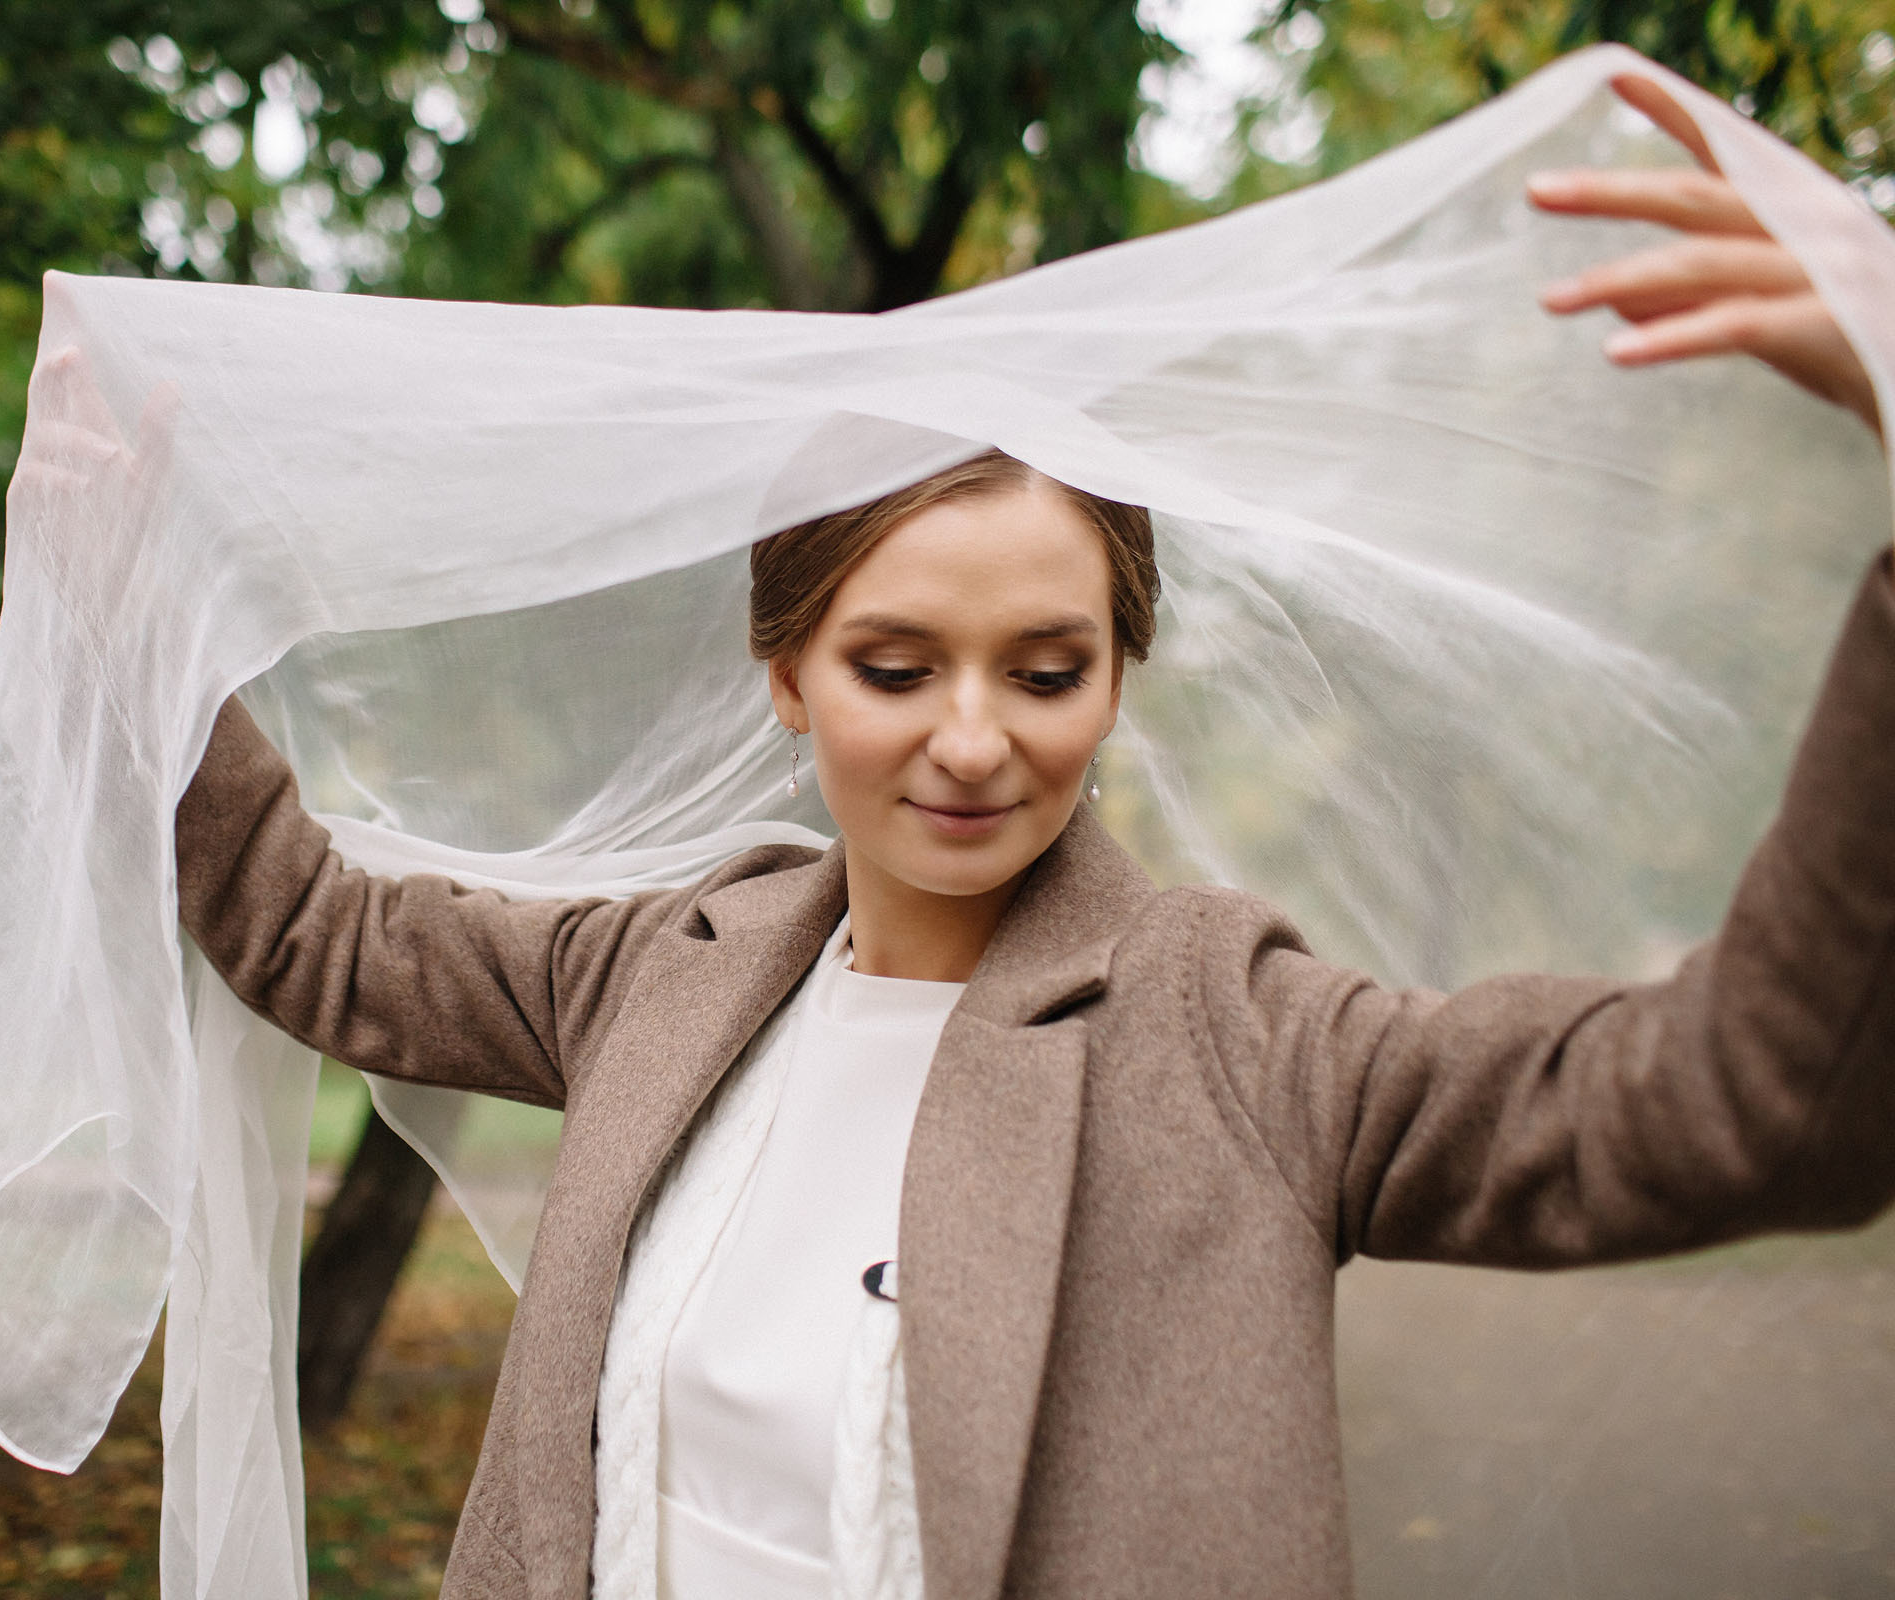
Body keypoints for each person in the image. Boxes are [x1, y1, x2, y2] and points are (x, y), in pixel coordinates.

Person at [169, 77, 1892, 1600]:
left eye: (1048, 670)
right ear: (788, 677)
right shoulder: (651, 974)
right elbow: (307, 928)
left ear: (1117, 680)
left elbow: (1737, 1105)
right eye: (896, 667)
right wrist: (130, 599)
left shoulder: (1240, 1039)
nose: (976, 739)